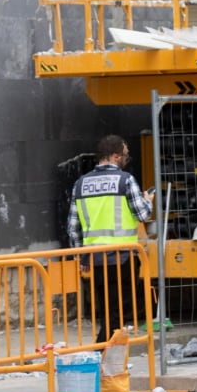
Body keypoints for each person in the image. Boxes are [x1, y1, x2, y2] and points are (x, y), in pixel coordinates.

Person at [68, 135, 154, 343]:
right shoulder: (125, 180)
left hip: (96, 258)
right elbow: (143, 214)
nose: (127, 159)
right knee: (119, 311)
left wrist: (80, 256)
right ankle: (102, 350)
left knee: (107, 309)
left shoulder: (81, 184)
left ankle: (107, 352)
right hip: (122, 256)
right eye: (126, 155)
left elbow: (73, 227)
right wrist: (148, 201)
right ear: (116, 156)